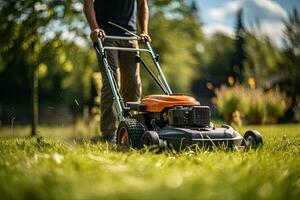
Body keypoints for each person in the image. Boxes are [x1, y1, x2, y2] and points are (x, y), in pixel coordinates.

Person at [83, 0, 151, 143]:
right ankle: (109, 133)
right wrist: (94, 28)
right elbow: (88, 3)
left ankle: (132, 128)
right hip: (105, 35)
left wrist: (144, 31)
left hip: (129, 35)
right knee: (112, 80)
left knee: (133, 83)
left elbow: (142, 4)